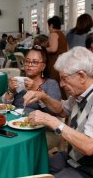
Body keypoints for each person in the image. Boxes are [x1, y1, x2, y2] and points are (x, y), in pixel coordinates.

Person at [25, 47, 93, 178]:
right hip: (72, 157)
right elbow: (62, 110)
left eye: (64, 79)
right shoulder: (78, 95)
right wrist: (43, 96)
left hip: (87, 168)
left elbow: (89, 146)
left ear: (81, 76)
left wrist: (51, 121)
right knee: (36, 166)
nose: (61, 84)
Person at [3, 45, 61, 114]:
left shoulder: (51, 84)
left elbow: (55, 111)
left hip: (38, 122)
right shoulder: (19, 81)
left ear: (43, 66)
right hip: (15, 121)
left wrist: (35, 89)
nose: (30, 65)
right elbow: (5, 106)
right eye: (27, 61)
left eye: (35, 62)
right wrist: (11, 91)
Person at [46, 15, 68, 99]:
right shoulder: (62, 34)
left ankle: (56, 103)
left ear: (51, 25)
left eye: (49, 26)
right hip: (62, 62)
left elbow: (53, 49)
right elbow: (67, 49)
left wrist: (43, 49)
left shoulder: (53, 34)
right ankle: (63, 103)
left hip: (54, 62)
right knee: (60, 84)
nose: (48, 28)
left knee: (54, 84)